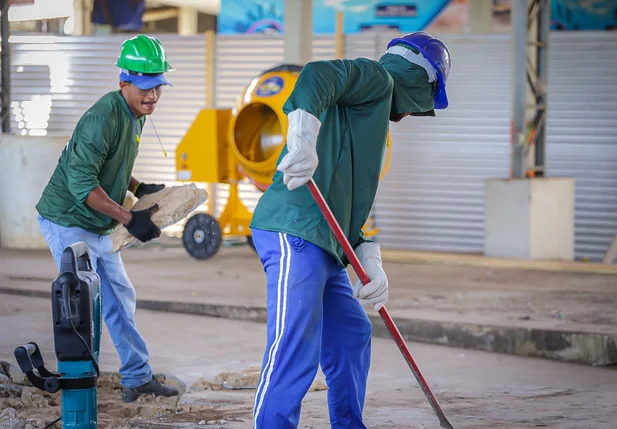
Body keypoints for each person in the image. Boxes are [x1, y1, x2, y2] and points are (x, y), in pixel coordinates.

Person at [248, 32, 451, 428]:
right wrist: (302, 138)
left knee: (351, 333)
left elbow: (348, 211)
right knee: (295, 347)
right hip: (296, 228)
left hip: (326, 242)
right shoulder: (378, 80)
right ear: (418, 83)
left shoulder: (371, 122)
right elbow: (318, 74)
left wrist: (370, 258)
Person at [35, 34, 178, 403]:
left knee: (117, 296)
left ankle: (136, 376)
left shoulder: (136, 114)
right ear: (124, 82)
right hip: (67, 217)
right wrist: (129, 217)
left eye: (158, 85)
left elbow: (111, 164)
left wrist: (138, 185)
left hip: (97, 218)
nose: (153, 95)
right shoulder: (104, 117)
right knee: (82, 303)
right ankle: (79, 386)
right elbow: (83, 185)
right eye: (146, 86)